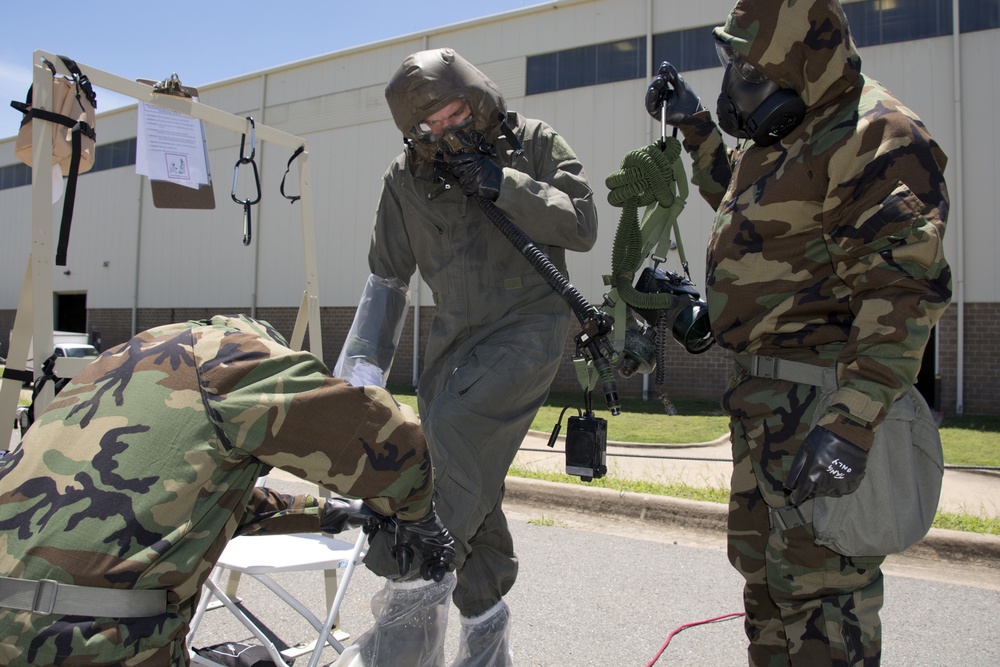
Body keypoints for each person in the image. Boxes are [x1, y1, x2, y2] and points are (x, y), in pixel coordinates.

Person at [644, 1, 951, 664]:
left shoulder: (874, 134)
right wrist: (695, 123)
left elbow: (903, 290)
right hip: (763, 412)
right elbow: (756, 218)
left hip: (822, 414)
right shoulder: (783, 139)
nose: (736, 81)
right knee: (770, 599)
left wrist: (853, 419)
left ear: (805, 64)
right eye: (732, 64)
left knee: (825, 609)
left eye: (749, 68)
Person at [334, 48, 598, 667]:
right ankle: (486, 638)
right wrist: (362, 370)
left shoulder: (532, 142)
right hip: (453, 345)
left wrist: (505, 184)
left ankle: (403, 612)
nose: (445, 132)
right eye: (429, 127)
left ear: (475, 98)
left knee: (451, 442)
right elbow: (387, 278)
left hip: (527, 329)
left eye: (454, 115)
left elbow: (582, 224)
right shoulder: (405, 178)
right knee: (470, 480)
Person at [0, 314, 455, 666]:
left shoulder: (119, 359)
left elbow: (202, 503)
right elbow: (394, 446)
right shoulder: (236, 359)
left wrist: (334, 513)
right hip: (90, 638)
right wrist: (420, 521)